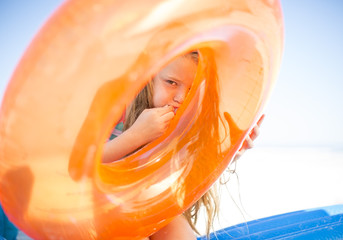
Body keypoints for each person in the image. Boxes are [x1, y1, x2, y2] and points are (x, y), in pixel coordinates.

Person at [101, 50, 264, 239]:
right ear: (151, 76)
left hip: (142, 206)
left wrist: (228, 155)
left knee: (175, 227)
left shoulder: (187, 125)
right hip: (94, 208)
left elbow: (185, 185)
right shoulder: (119, 107)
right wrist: (135, 136)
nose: (181, 97)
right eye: (171, 83)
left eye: (192, 89)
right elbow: (79, 169)